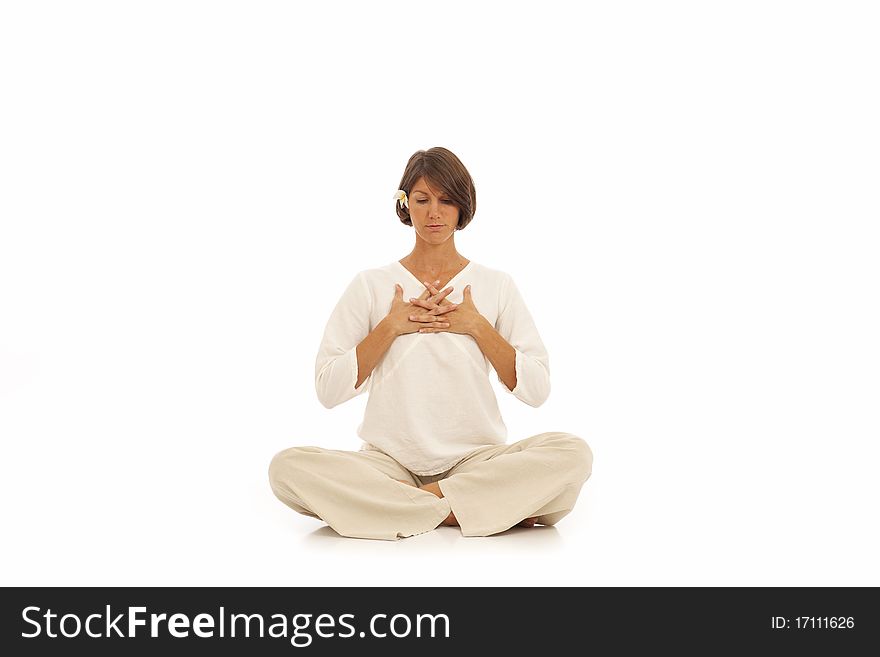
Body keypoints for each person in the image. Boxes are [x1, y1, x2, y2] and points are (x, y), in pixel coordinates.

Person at [268, 147, 593, 540]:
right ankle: (473, 507)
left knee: (572, 453)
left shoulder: (496, 285)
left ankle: (407, 505)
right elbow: (327, 390)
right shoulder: (371, 285)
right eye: (422, 200)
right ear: (405, 204)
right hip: (388, 465)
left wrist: (477, 326)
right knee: (286, 468)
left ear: (462, 207)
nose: (434, 213)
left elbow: (538, 389)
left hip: (477, 460)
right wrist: (389, 327)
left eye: (446, 201)